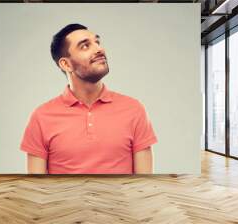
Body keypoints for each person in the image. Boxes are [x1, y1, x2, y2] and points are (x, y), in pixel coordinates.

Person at [20, 23, 157, 174]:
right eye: (85, 46)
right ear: (66, 64)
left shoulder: (134, 109)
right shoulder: (41, 117)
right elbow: (36, 189)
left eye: (97, 42)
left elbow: (144, 186)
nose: (99, 49)